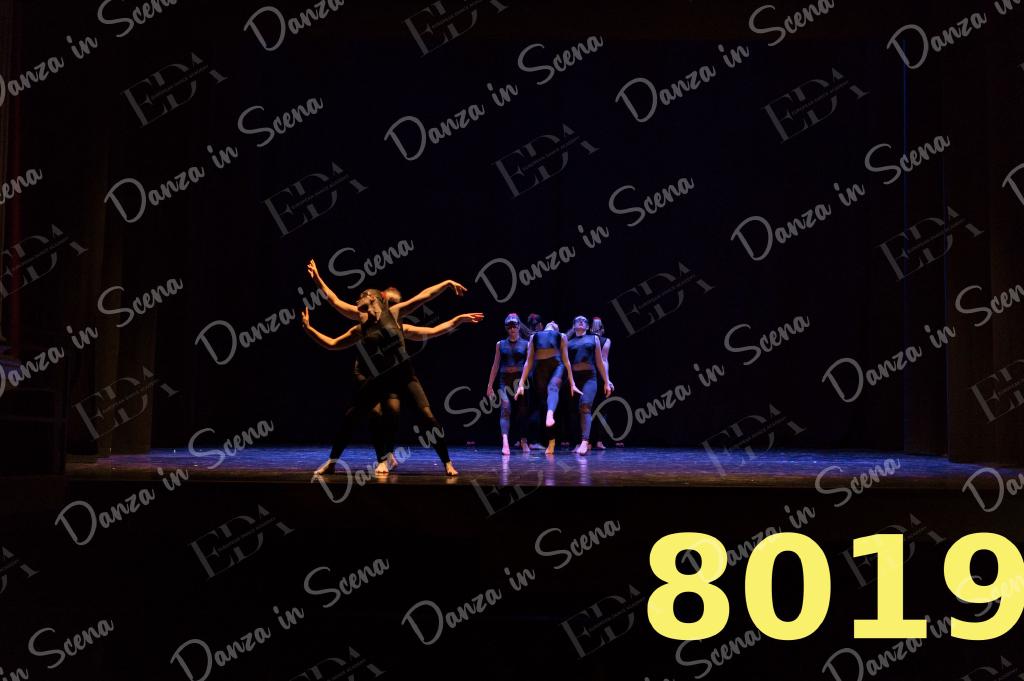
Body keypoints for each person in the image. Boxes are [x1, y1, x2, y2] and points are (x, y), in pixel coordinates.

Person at [302, 287, 482, 476]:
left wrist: (453, 305)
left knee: (427, 418)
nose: (356, 301)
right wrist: (309, 328)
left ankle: (447, 463)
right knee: (352, 418)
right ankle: (334, 463)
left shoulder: (394, 314)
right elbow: (332, 339)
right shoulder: (361, 325)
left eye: (360, 297)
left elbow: (425, 300)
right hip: (380, 379)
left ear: (372, 297)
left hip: (405, 377)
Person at [515, 322, 579, 455]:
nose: (553, 321)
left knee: (553, 388)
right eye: (551, 322)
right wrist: (521, 383)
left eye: (555, 323)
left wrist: (572, 383)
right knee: (545, 403)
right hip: (540, 368)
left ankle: (550, 415)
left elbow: (566, 361)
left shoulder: (561, 336)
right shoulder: (534, 337)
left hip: (557, 366)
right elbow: (528, 361)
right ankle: (551, 440)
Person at [566, 316, 613, 454]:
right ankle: (577, 442)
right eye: (577, 320)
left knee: (585, 406)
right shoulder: (568, 342)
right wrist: (571, 382)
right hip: (574, 380)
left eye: (584, 321)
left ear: (587, 326)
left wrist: (606, 381)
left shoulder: (594, 339)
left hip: (590, 378)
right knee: (574, 412)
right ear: (573, 326)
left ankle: (585, 442)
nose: (581, 321)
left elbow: (600, 361)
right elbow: (566, 364)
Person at [485, 313, 530, 455]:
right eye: (509, 327)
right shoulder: (500, 344)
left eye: (514, 326)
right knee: (505, 409)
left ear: (518, 327)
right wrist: (489, 385)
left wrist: (522, 383)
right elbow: (495, 365)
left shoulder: (526, 344)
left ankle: (523, 440)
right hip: (504, 381)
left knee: (522, 411)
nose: (512, 329)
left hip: (520, 381)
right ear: (506, 328)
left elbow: (529, 364)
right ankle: (505, 442)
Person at [590, 317, 613, 450]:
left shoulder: (589, 339)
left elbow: (604, 361)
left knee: (592, 409)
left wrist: (607, 381)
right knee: (599, 409)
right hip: (593, 377)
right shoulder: (602, 340)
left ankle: (592, 441)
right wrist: (607, 380)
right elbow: (604, 360)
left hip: (593, 376)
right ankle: (594, 441)